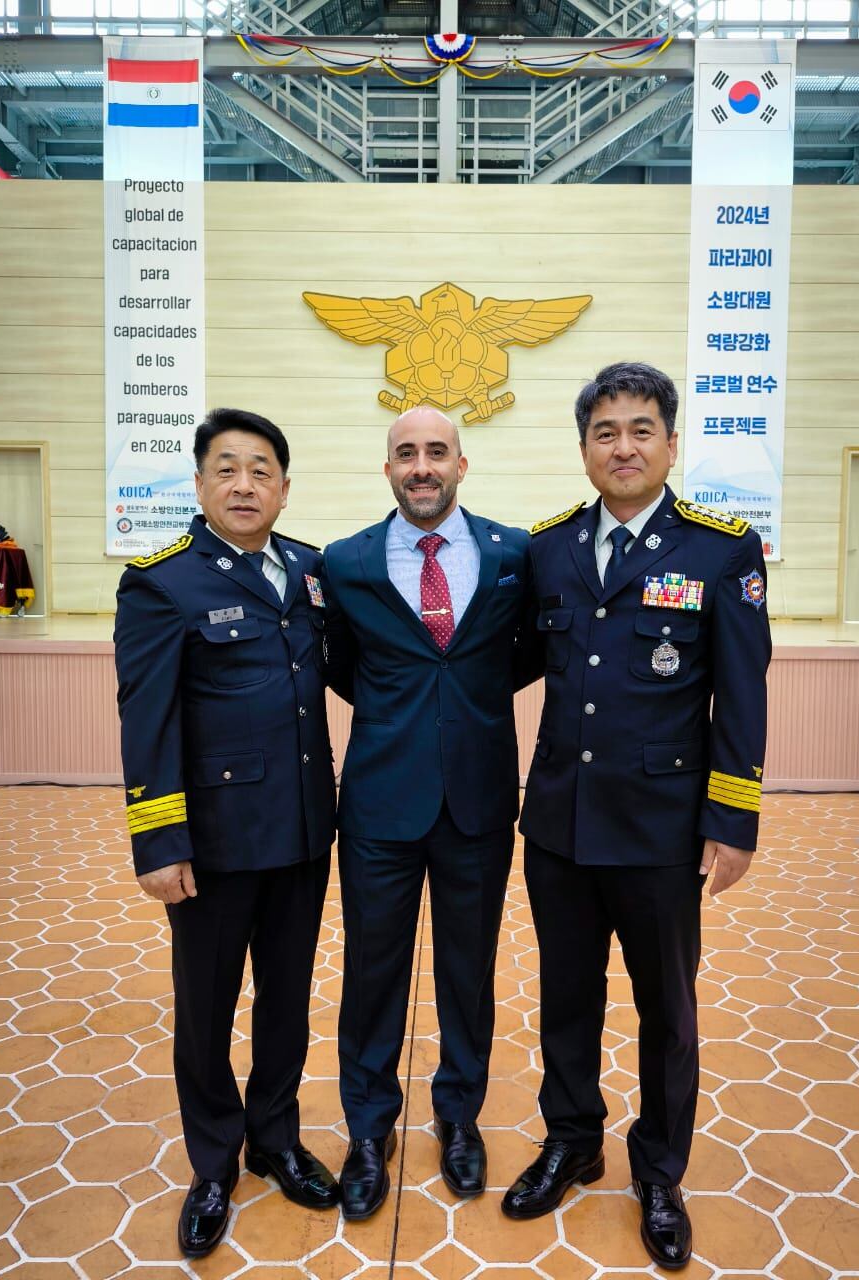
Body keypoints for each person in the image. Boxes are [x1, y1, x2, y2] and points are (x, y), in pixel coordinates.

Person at [503, 363, 771, 1271]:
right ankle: (573, 1139)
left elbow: (740, 694)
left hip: (660, 830)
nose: (623, 446)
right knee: (566, 997)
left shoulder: (720, 549)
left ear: (670, 441)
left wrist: (731, 820)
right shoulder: (550, 547)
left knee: (668, 1008)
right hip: (560, 827)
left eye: (640, 429)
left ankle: (659, 1169)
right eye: (605, 431)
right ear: (584, 446)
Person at [114, 408, 339, 1259]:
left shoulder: (312, 572)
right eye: (226, 469)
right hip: (210, 842)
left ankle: (274, 1139)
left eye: (261, 470)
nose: (245, 485)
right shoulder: (163, 581)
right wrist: (159, 840)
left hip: (305, 833)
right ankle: (213, 1164)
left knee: (286, 1000)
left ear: (284, 485)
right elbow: (147, 720)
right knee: (207, 1009)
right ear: (201, 483)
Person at [322, 406, 535, 1220]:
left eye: (436, 452)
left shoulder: (514, 554)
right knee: (372, 973)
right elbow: (343, 664)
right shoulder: (345, 564)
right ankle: (369, 1132)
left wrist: (464, 707)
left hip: (479, 801)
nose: (421, 466)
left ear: (461, 464)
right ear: (387, 470)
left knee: (467, 973)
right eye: (406, 453)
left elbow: (524, 656)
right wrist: (403, 711)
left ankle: (458, 1118)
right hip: (379, 804)